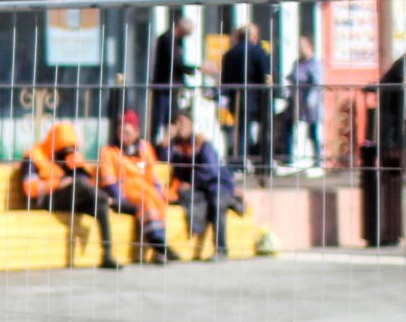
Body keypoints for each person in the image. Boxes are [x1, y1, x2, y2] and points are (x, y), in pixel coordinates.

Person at [21, 121, 123, 270]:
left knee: (99, 205)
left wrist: (78, 166)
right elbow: (30, 188)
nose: (67, 153)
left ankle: (107, 255)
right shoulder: (33, 156)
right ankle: (110, 201)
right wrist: (58, 183)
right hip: (46, 199)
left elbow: (87, 181)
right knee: (80, 186)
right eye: (64, 150)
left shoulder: (68, 157)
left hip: (70, 196)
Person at [164, 110, 245, 261]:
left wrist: (191, 182)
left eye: (182, 122)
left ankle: (221, 250)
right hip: (200, 188)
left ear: (191, 124)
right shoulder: (177, 146)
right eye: (176, 123)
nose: (179, 126)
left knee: (216, 203)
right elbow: (163, 159)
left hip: (218, 185)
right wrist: (166, 140)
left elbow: (211, 170)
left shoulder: (202, 143)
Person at [99, 110, 172, 263]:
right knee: (147, 201)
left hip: (144, 190)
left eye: (127, 131)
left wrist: (159, 192)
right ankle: (158, 244)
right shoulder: (109, 151)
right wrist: (121, 199)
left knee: (157, 201)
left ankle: (159, 247)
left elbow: (153, 174)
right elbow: (109, 181)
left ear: (137, 132)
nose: (122, 134)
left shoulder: (144, 148)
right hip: (124, 193)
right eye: (120, 130)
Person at [218, 23, 273, 171]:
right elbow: (265, 75)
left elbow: (225, 79)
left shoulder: (229, 54)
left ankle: (239, 161)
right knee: (264, 130)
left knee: (241, 131)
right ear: (254, 37)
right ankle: (263, 162)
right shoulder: (258, 51)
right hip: (257, 98)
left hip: (236, 98)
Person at [148, 15, 199, 145]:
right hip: (164, 86)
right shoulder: (168, 39)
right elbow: (174, 63)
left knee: (171, 118)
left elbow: (177, 64)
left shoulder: (177, 40)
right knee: (161, 117)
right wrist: (195, 69)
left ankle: (168, 143)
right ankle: (157, 144)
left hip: (172, 86)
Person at [287, 34, 324, 168]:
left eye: (301, 45)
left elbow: (317, 83)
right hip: (297, 102)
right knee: (293, 130)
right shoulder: (298, 63)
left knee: (313, 132)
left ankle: (317, 160)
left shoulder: (314, 63)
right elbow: (293, 76)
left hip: (310, 103)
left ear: (309, 46)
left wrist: (311, 99)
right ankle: (293, 158)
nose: (299, 48)